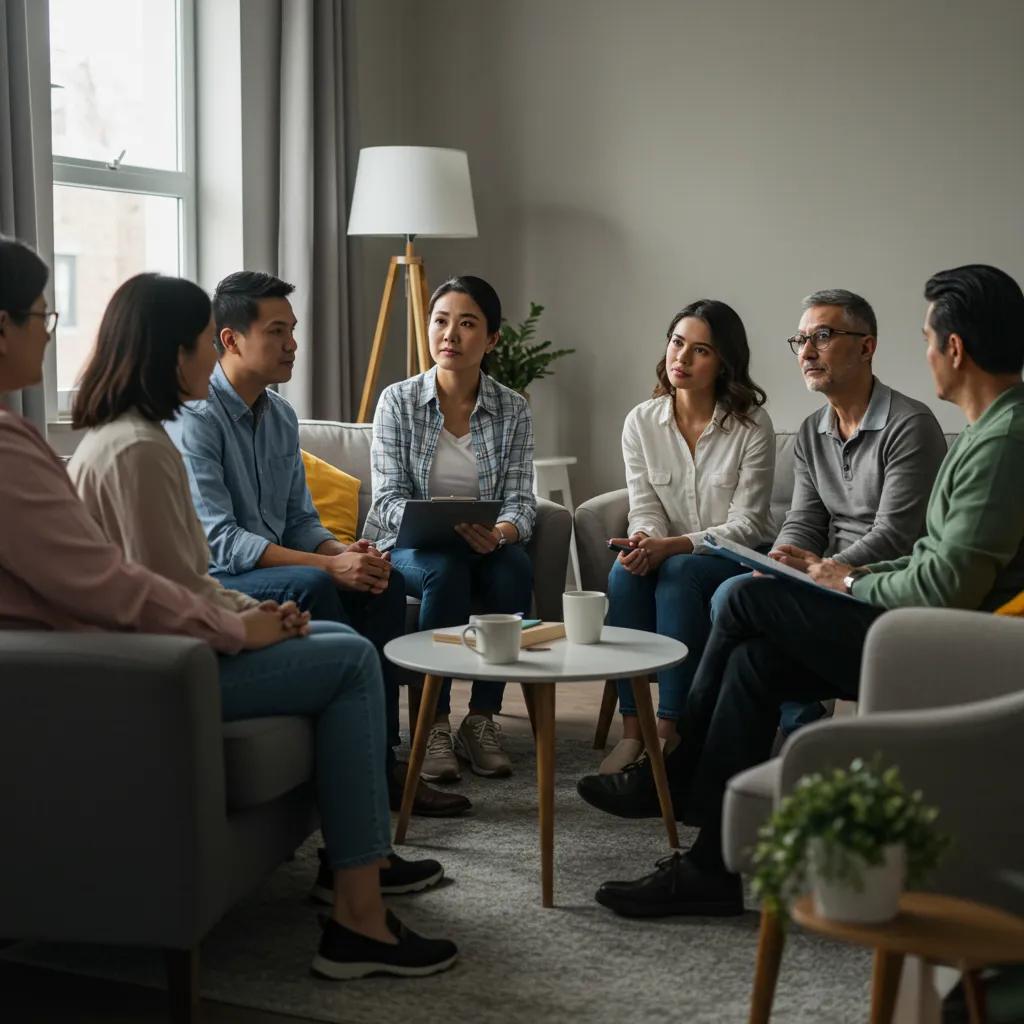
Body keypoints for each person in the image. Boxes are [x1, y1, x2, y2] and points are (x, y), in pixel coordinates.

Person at [0, 242, 457, 978]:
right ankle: (359, 914)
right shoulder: (140, 449)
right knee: (344, 656)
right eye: (39, 315)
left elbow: (154, 578)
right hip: (145, 667)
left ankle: (354, 867)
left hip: (157, 644)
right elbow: (133, 589)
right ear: (186, 353)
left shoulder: (143, 438)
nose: (48, 330)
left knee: (347, 612)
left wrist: (307, 579)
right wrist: (241, 621)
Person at [583, 264, 1024, 919]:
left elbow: (939, 579)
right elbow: (818, 528)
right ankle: (712, 869)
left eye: (929, 337)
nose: (926, 351)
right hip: (912, 622)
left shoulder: (999, 439)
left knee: (741, 599)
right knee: (754, 659)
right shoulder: (984, 432)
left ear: (954, 348)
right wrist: (793, 564)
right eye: (802, 341)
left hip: (942, 643)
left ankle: (673, 772)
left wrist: (839, 575)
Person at [164, 271, 468, 818]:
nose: (293, 345)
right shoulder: (197, 418)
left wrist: (345, 553)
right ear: (230, 340)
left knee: (385, 579)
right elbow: (222, 541)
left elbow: (301, 520)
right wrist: (326, 569)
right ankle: (357, 769)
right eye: (278, 331)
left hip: (273, 565)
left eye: (294, 330)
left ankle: (383, 758)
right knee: (312, 581)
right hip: (219, 576)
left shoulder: (280, 415)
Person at [712, 288, 947, 734]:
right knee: (750, 636)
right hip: (826, 583)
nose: (807, 352)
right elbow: (804, 520)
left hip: (879, 594)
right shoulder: (811, 431)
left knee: (734, 596)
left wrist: (823, 570)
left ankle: (682, 742)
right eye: (800, 340)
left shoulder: (909, 425)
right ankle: (717, 780)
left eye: (822, 336)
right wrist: (778, 561)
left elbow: (895, 535)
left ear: (866, 346)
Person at [363, 276, 536, 782]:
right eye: (441, 321)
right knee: (443, 571)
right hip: (412, 546)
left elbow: (521, 498)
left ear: (492, 339)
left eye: (467, 324)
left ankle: (480, 719)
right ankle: (432, 723)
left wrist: (502, 531)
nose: (450, 335)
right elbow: (388, 497)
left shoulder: (513, 408)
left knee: (513, 568)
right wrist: (428, 519)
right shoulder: (397, 401)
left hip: (484, 543)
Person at [595, 299, 775, 775]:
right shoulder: (641, 421)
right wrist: (641, 541)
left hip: (735, 557)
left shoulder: (752, 426)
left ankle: (672, 730)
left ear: (724, 362)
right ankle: (633, 733)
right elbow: (646, 505)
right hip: (667, 550)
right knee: (625, 573)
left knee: (678, 571)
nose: (682, 358)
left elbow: (749, 525)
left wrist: (670, 546)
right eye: (677, 343)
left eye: (700, 351)